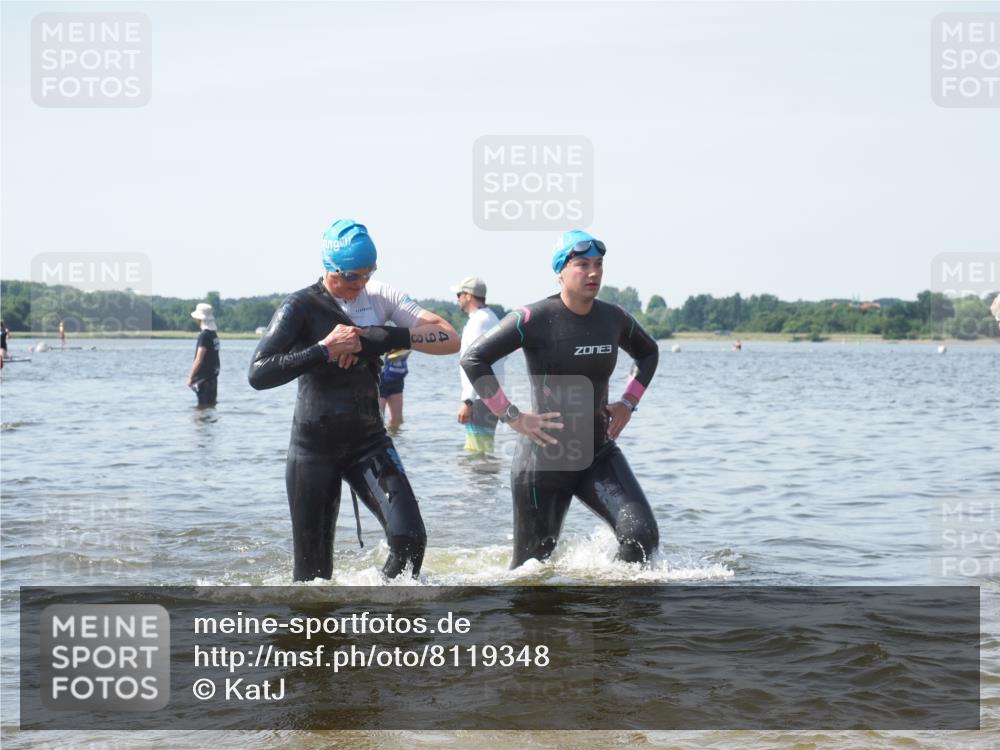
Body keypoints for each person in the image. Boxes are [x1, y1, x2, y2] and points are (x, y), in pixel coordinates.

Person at [248, 219, 459, 581]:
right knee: (313, 577)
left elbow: (450, 338)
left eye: (367, 273)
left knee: (410, 540)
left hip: (369, 443)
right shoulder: (300, 306)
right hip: (312, 451)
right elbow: (258, 373)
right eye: (350, 277)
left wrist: (383, 338)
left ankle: (380, 608)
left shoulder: (380, 296)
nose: (359, 284)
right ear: (329, 267)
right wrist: (323, 350)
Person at [462, 230, 660, 568]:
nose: (593, 273)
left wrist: (628, 403)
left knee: (641, 538)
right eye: (582, 265)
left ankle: (607, 602)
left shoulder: (613, 318)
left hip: (598, 452)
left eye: (598, 264)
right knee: (531, 570)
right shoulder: (533, 318)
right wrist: (511, 416)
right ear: (560, 271)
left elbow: (648, 352)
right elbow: (474, 359)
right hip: (544, 460)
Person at [453, 276, 504, 454]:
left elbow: (476, 362)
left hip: (481, 397)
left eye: (459, 295)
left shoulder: (479, 322)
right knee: (483, 451)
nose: (457, 299)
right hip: (490, 394)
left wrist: (468, 400)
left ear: (468, 296)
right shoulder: (491, 318)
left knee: (476, 454)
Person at [186, 303, 220, 407]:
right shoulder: (213, 335)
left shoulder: (204, 336)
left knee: (202, 410)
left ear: (199, 319)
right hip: (213, 378)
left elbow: (199, 360)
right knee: (211, 407)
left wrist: (190, 377)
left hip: (203, 380)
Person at [379, 348, 410, 431]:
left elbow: (408, 349)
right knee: (378, 418)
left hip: (396, 374)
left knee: (398, 420)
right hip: (380, 375)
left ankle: (394, 438)